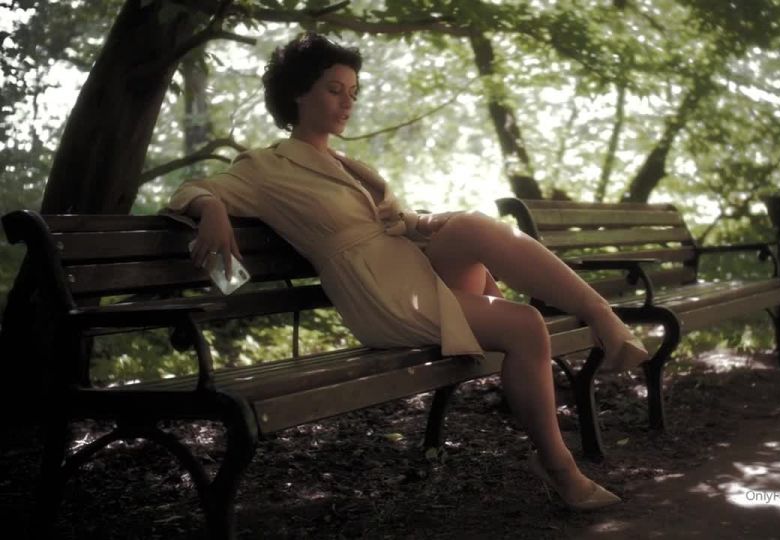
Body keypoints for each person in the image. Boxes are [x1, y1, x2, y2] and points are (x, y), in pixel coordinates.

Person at [167, 33, 649, 510]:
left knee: (472, 224)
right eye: (335, 90)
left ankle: (599, 312)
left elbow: (392, 220)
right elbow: (190, 189)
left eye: (353, 92)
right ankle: (560, 467)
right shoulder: (266, 167)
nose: (347, 102)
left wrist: (426, 221)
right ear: (298, 92)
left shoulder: (348, 164)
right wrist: (212, 210)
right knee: (525, 325)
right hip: (377, 293)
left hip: (408, 267)